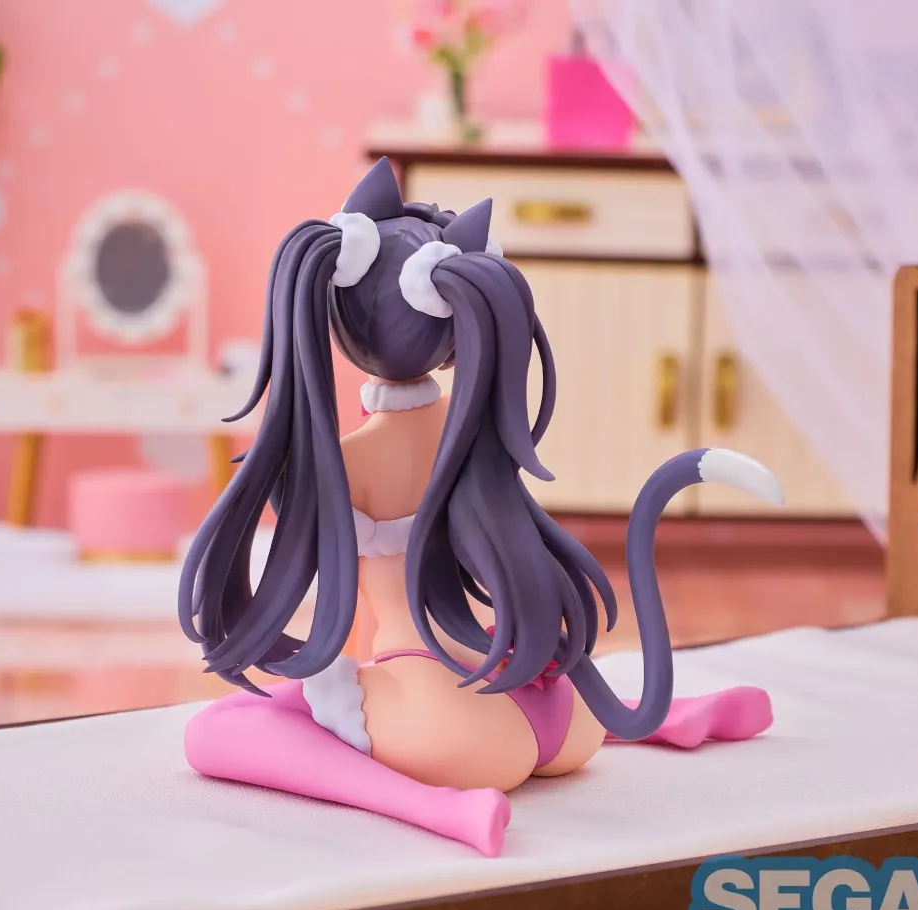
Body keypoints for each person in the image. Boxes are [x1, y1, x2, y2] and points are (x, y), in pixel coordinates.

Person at [178, 158, 782, 857]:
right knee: (339, 691)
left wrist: (335, 686)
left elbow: (326, 603)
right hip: (559, 707)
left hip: (455, 723)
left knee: (223, 728)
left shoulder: (340, 463)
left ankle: (438, 810)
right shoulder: (475, 433)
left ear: (334, 316)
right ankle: (667, 715)